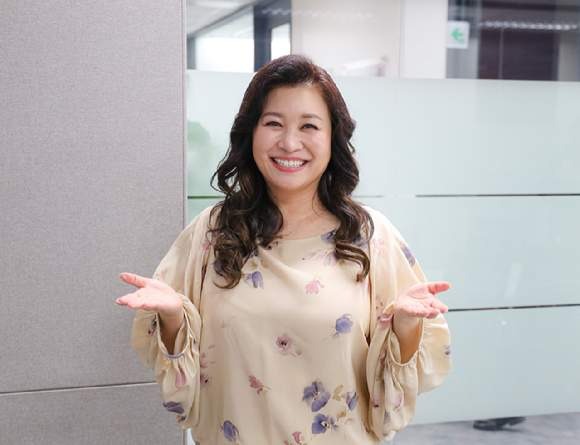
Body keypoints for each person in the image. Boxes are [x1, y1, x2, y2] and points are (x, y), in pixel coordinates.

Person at [115, 54, 452, 445]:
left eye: (309, 126)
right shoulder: (213, 232)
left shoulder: (370, 237)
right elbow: (181, 376)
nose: (290, 143)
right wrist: (174, 317)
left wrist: (406, 326)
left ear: (333, 138)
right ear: (251, 133)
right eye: (274, 123)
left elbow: (395, 394)